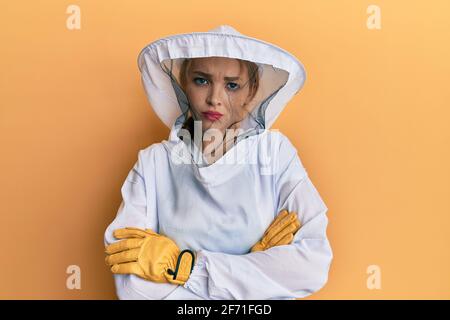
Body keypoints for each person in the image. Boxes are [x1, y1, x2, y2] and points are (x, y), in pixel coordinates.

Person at [103, 25, 333, 300]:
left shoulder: (276, 153)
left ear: (252, 91)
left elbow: (312, 266)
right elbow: (132, 287)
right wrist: (251, 274)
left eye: (232, 85)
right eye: (201, 80)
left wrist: (184, 268)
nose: (215, 98)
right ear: (182, 83)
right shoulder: (153, 163)